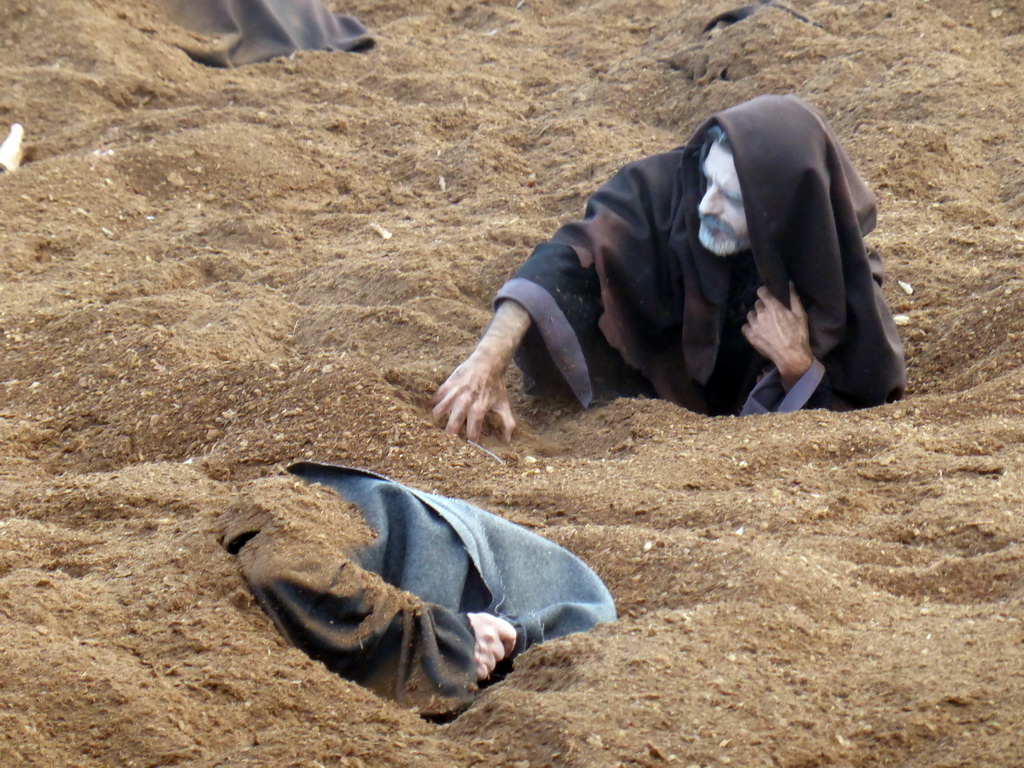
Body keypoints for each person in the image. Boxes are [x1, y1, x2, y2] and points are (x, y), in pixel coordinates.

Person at [432, 94, 907, 442]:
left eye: (733, 198)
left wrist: (797, 365)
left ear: (783, 215)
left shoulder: (834, 277)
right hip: (645, 405)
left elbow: (861, 411)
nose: (706, 204)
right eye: (709, 180)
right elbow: (564, 260)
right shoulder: (665, 191)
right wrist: (487, 360)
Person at [221, 462, 615, 717]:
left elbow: (285, 570)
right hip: (394, 541)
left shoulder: (575, 612)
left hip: (511, 598)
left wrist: (465, 640)